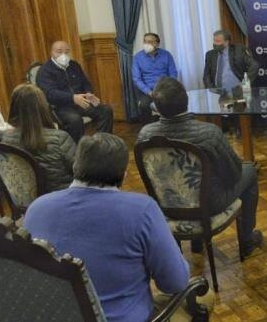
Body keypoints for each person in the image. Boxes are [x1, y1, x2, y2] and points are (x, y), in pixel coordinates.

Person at [23, 133, 190, 322]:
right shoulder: (142, 210)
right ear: (124, 175)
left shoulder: (36, 208)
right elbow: (175, 282)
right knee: (202, 296)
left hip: (54, 315)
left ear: (75, 166)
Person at [137, 77, 263, 256]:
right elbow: (234, 173)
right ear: (186, 100)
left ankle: (196, 244)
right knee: (249, 170)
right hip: (210, 204)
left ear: (156, 107)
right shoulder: (209, 133)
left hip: (166, 207)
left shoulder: (145, 135)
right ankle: (247, 240)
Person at [36, 41, 114, 142]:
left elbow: (85, 82)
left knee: (105, 110)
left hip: (81, 102)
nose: (63, 55)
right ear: (51, 52)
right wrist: (72, 98)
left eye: (66, 52)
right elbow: (50, 93)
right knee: (75, 120)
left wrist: (89, 93)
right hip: (60, 107)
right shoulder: (44, 71)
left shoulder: (74, 65)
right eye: (59, 51)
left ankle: (102, 143)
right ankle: (77, 148)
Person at [2, 84, 75, 191]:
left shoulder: (6, 139)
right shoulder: (60, 138)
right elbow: (82, 172)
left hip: (27, 199)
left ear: (14, 108)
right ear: (42, 106)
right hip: (63, 196)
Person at [132, 33, 178, 122]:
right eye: (145, 41)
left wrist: (167, 88)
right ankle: (149, 128)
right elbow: (137, 79)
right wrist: (149, 92)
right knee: (144, 105)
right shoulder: (138, 57)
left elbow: (173, 73)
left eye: (150, 42)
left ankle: (169, 125)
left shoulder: (166, 55)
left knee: (173, 103)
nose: (146, 44)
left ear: (157, 44)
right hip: (147, 90)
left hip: (164, 88)